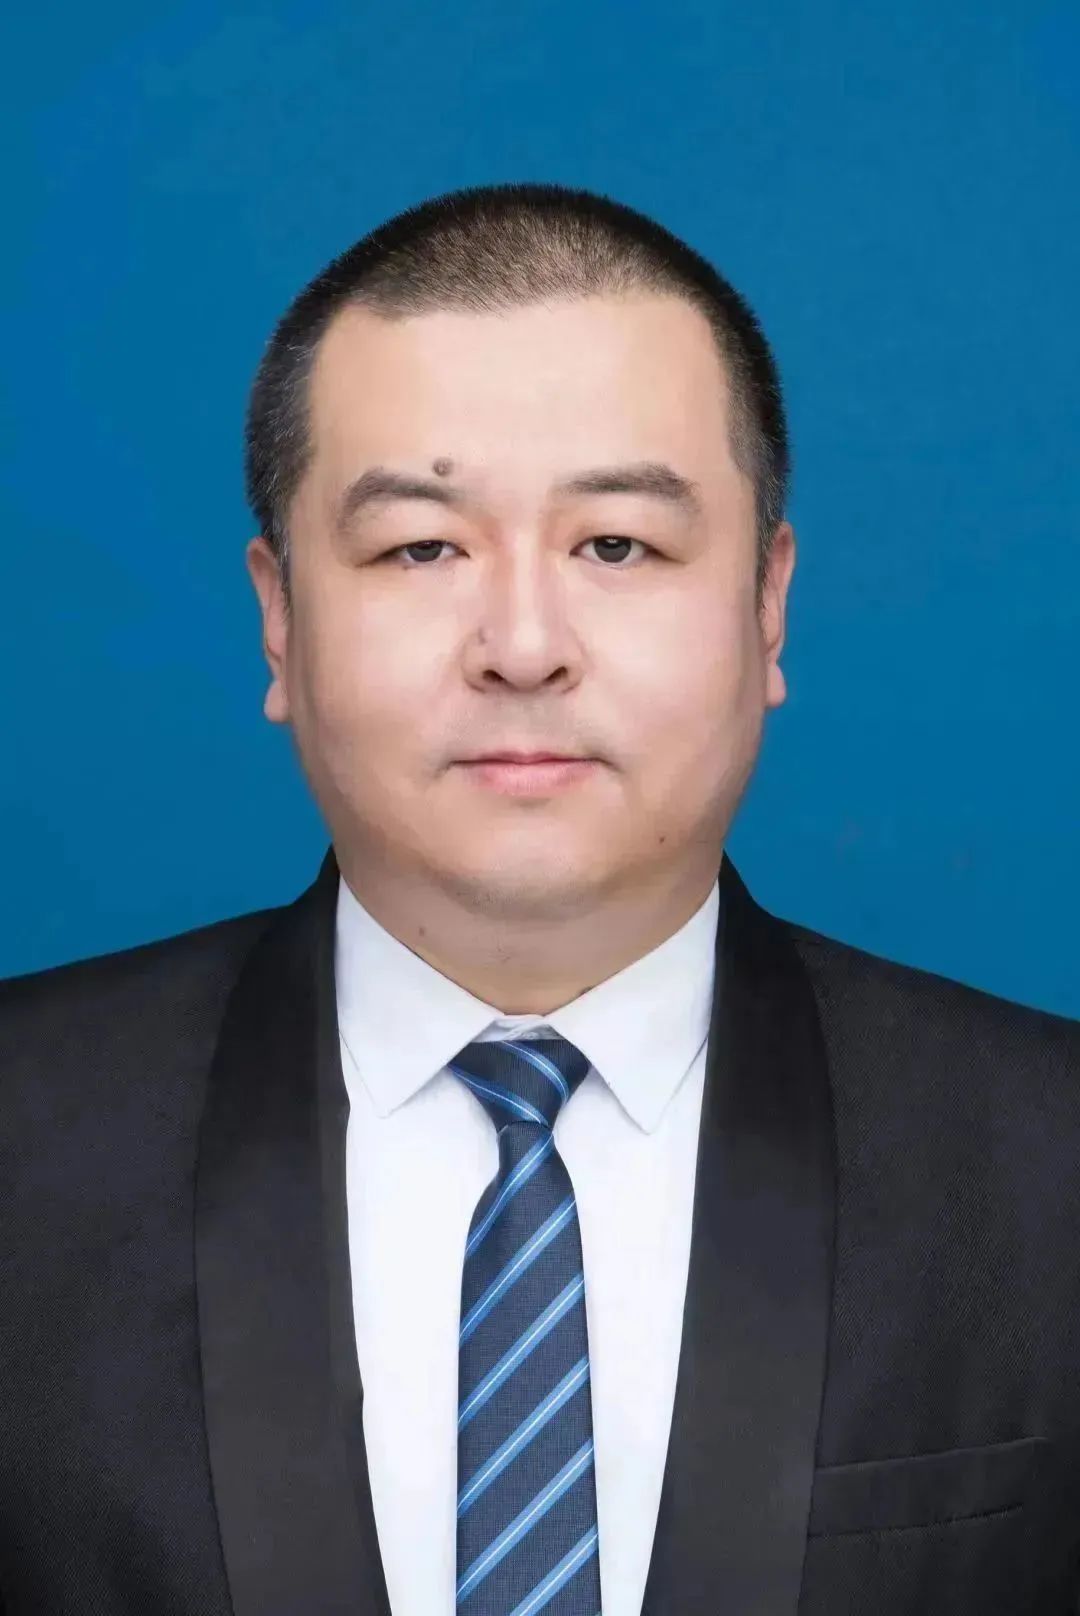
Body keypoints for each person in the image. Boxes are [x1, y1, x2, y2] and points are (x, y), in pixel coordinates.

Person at [0, 181, 1077, 1616]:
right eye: (421, 548)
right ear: (279, 619)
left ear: (767, 605)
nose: (521, 645)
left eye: (617, 545)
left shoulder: (1049, 1171)